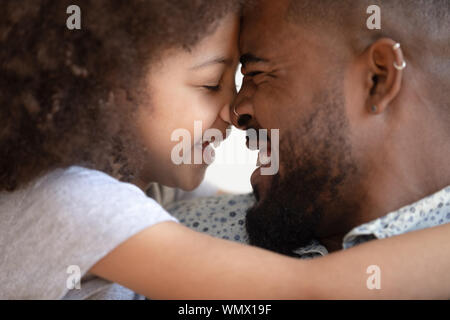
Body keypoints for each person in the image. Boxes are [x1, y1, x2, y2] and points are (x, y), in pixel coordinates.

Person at [0, 0, 449, 300]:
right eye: (211, 83)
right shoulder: (71, 202)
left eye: (247, 78)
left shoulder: (162, 201)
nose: (232, 111)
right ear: (105, 85)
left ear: (379, 79)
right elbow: (306, 290)